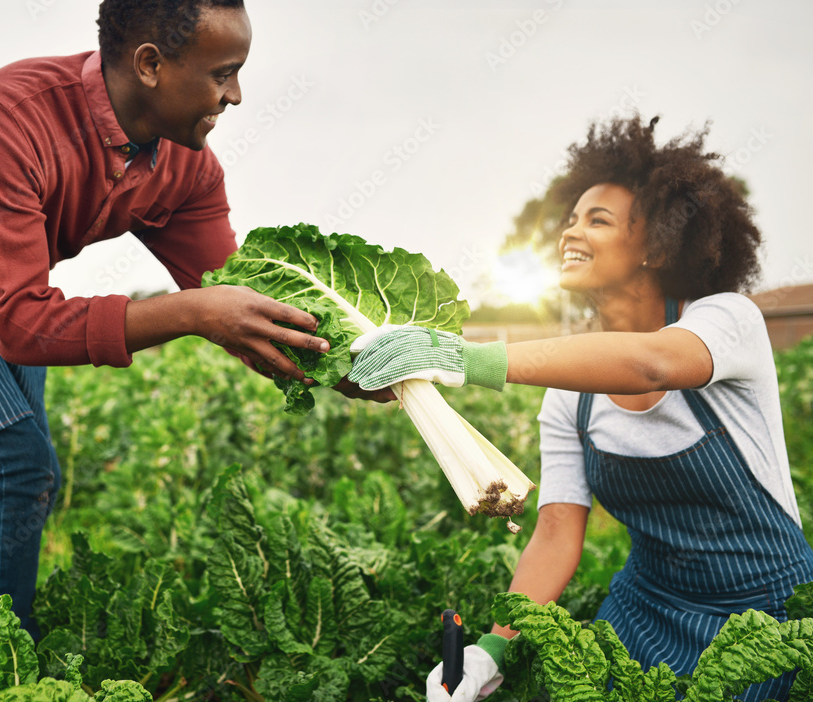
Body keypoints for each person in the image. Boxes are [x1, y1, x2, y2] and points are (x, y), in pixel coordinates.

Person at [0, 0, 383, 638]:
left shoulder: (188, 168)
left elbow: (234, 296)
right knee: (15, 462)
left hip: (2, 278)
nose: (236, 96)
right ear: (150, 65)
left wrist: (348, 366)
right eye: (222, 73)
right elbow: (23, 324)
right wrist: (193, 312)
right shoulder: (9, 117)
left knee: (29, 468)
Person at [348, 114, 813, 702]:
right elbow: (557, 532)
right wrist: (490, 650)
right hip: (645, 610)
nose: (571, 233)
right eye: (571, 219)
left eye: (598, 220)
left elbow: (654, 363)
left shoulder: (726, 321)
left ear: (655, 245)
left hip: (768, 616)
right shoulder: (570, 394)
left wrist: (466, 360)